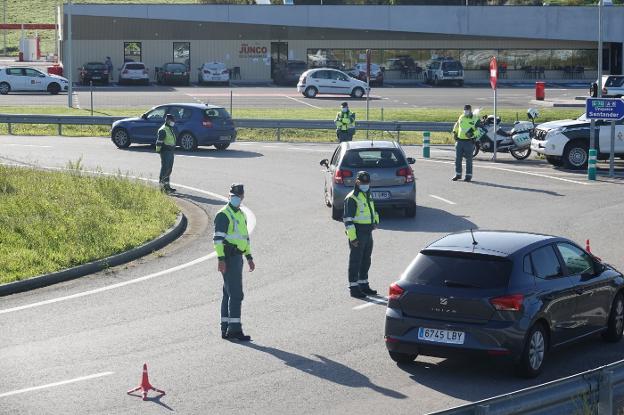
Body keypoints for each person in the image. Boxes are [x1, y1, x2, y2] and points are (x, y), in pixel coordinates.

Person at [213, 184, 256, 341]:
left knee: (228, 293)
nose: (236, 199)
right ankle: (234, 330)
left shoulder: (240, 214)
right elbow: (217, 240)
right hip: (229, 258)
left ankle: (226, 328)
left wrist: (249, 257)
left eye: (239, 196)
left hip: (238, 258)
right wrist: (221, 259)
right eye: (233, 196)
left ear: (243, 197)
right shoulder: (224, 215)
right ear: (228, 196)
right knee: (236, 294)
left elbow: (245, 238)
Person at [343, 171, 379, 298]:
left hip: (368, 232)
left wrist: (375, 222)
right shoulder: (352, 198)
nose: (365, 185)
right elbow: (348, 220)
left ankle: (363, 284)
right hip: (358, 233)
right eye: (363, 183)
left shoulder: (367, 195)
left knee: (366, 260)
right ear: (357, 182)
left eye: (367, 183)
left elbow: (373, 210)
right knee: (356, 261)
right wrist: (353, 238)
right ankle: (354, 287)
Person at [451, 104, 477, 182]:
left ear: (470, 110)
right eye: (465, 110)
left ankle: (468, 176)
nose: (466, 111)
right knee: (457, 159)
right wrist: (454, 132)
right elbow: (457, 124)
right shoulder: (461, 116)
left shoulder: (475, 119)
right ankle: (458, 174)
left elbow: (480, 130)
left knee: (468, 160)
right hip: (459, 141)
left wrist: (472, 134)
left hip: (469, 142)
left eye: (467, 110)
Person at [155, 114, 177, 193]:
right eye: (172, 121)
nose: (173, 122)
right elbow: (159, 142)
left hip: (170, 151)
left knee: (169, 169)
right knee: (165, 169)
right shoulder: (163, 129)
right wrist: (158, 150)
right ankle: (162, 187)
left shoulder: (169, 128)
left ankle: (167, 187)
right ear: (168, 120)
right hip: (165, 151)